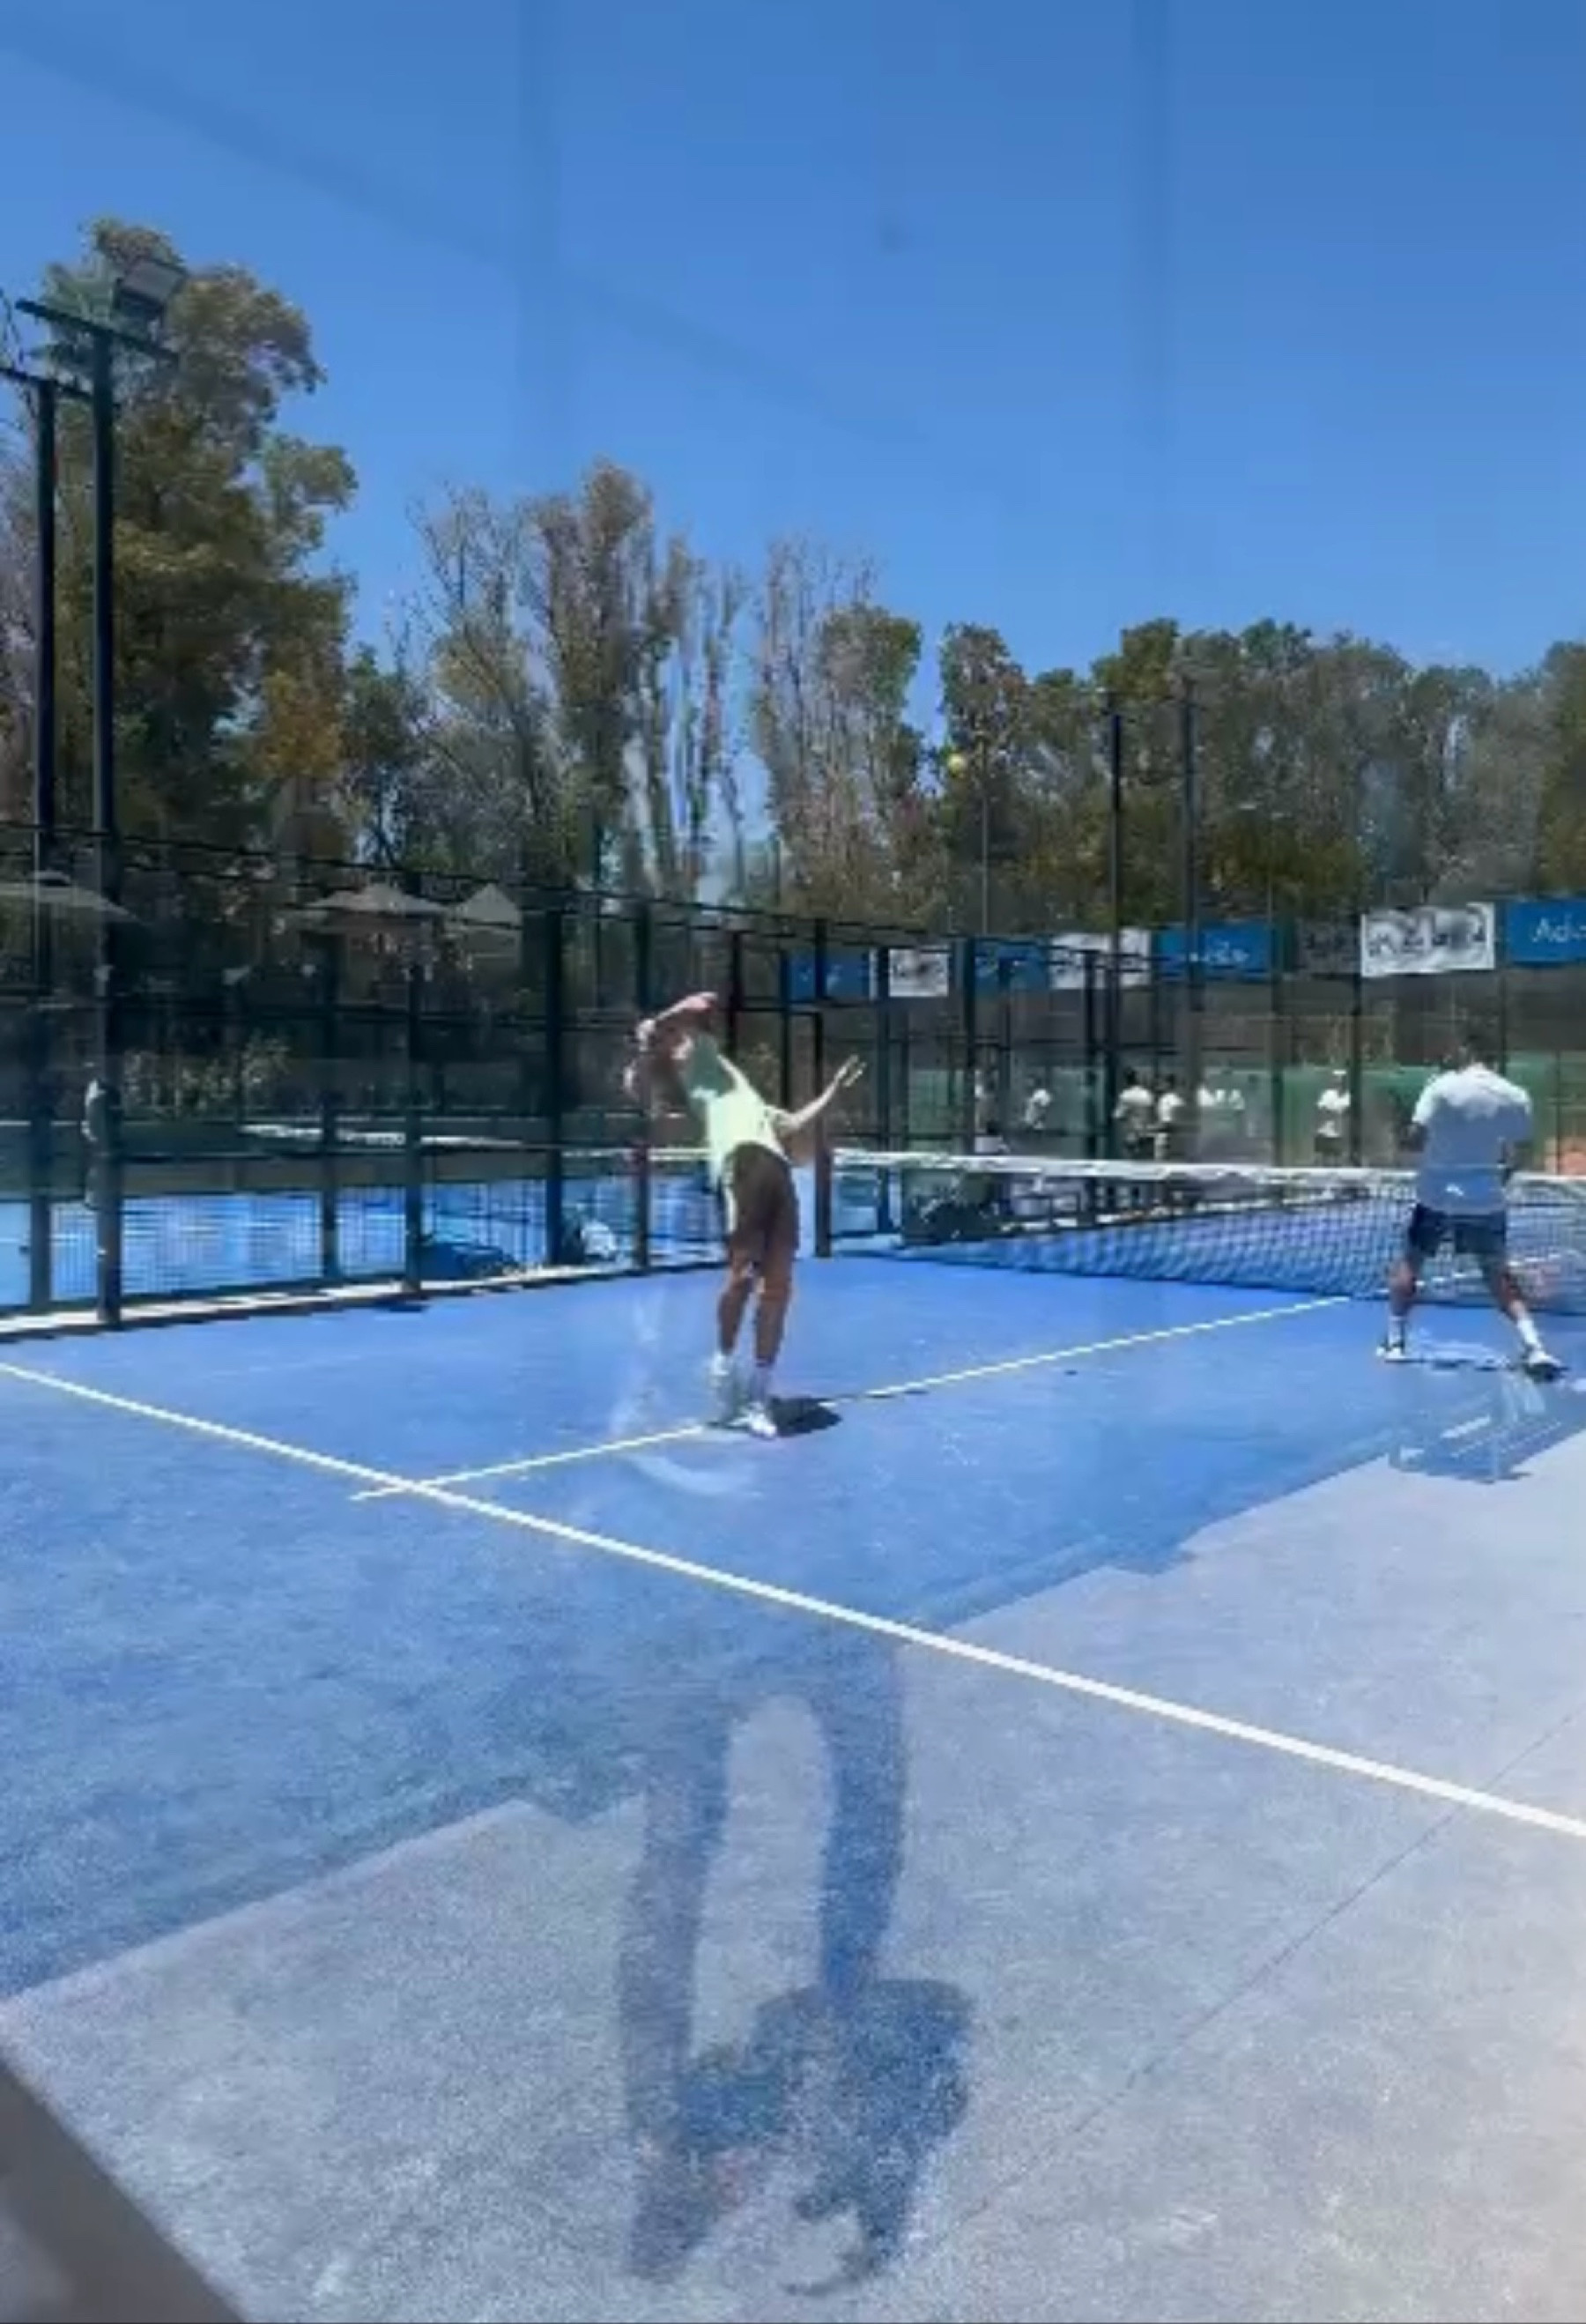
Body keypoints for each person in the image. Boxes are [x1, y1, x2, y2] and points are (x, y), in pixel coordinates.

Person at [626, 992, 863, 1437]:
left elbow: (793, 1123)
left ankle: (758, 1394)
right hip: (744, 1163)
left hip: (777, 1169)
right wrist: (658, 1028)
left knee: (779, 1287)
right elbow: (701, 1006)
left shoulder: (742, 1093)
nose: (682, 1040)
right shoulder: (699, 1065)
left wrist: (833, 1090)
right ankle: (721, 1366)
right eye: (673, 1040)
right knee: (742, 1278)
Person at [1381, 1045, 1560, 1378]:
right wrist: (1501, 1176)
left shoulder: (1440, 1087)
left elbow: (1414, 1138)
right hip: (1485, 1199)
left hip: (1436, 1197)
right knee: (1497, 1275)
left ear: (1464, 1056)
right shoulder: (1515, 1095)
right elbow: (1522, 1150)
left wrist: (1410, 1129)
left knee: (1410, 1264)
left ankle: (1395, 1343)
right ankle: (1535, 1346)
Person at [1315, 1068, 1350, 1163]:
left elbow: (1346, 1112)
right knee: (1322, 1161)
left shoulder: (1348, 1096)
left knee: (1339, 1161)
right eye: (1337, 1079)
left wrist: (1333, 1111)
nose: (1339, 1082)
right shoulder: (1328, 1094)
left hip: (1340, 1135)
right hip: (1325, 1133)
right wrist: (1335, 1112)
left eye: (1342, 1079)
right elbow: (1321, 1110)